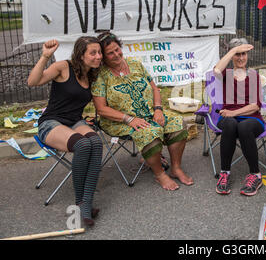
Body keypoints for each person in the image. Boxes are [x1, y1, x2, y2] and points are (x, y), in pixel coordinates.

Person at [92, 32, 193, 191]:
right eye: (110, 53)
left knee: (178, 122)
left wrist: (158, 109)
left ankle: (176, 168)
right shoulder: (100, 76)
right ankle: (160, 174)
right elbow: (101, 109)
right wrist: (129, 119)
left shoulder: (134, 63)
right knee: (148, 132)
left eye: (117, 49)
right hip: (119, 121)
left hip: (150, 113)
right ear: (103, 57)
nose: (116, 54)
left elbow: (154, 88)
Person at [29, 37, 103, 227]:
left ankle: (85, 201)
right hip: (51, 122)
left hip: (74, 122)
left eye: (99, 52)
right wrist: (45, 56)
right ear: (81, 55)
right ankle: (82, 203)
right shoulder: (63, 67)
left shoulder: (92, 75)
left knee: (96, 142)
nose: (98, 56)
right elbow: (32, 81)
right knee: (83, 144)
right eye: (93, 53)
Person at [213, 38, 265, 196]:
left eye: (243, 54)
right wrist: (232, 50)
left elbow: (255, 106)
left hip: (252, 118)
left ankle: (255, 175)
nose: (241, 58)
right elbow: (215, 70)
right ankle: (224, 173)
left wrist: (233, 113)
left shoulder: (254, 76)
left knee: (243, 126)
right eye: (237, 54)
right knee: (229, 124)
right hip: (228, 119)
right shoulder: (226, 74)